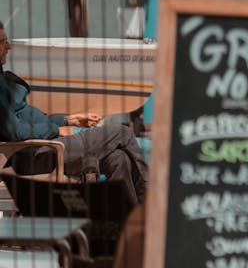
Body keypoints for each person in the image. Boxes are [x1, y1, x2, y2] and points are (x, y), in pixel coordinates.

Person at [0, 22, 149, 201]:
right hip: (37, 154)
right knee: (122, 133)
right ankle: (149, 197)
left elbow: (27, 120)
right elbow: (16, 131)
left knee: (119, 159)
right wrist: (56, 130)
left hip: (45, 147)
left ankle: (124, 219)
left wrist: (68, 120)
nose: (8, 46)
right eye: (2, 42)